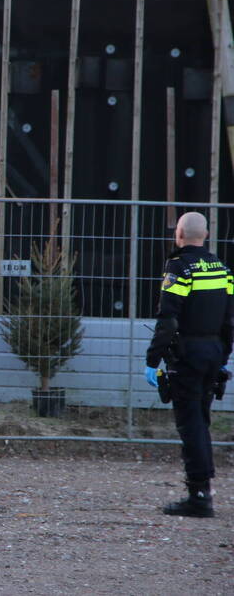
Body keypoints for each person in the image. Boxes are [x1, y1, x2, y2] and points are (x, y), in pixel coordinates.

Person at [144, 211, 233, 518]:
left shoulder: (179, 268)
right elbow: (229, 321)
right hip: (212, 352)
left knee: (190, 423)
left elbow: (168, 319)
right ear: (205, 235)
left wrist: (152, 359)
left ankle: (198, 496)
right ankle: (203, 489)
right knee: (201, 421)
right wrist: (223, 357)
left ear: (178, 235)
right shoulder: (222, 268)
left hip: (188, 354)